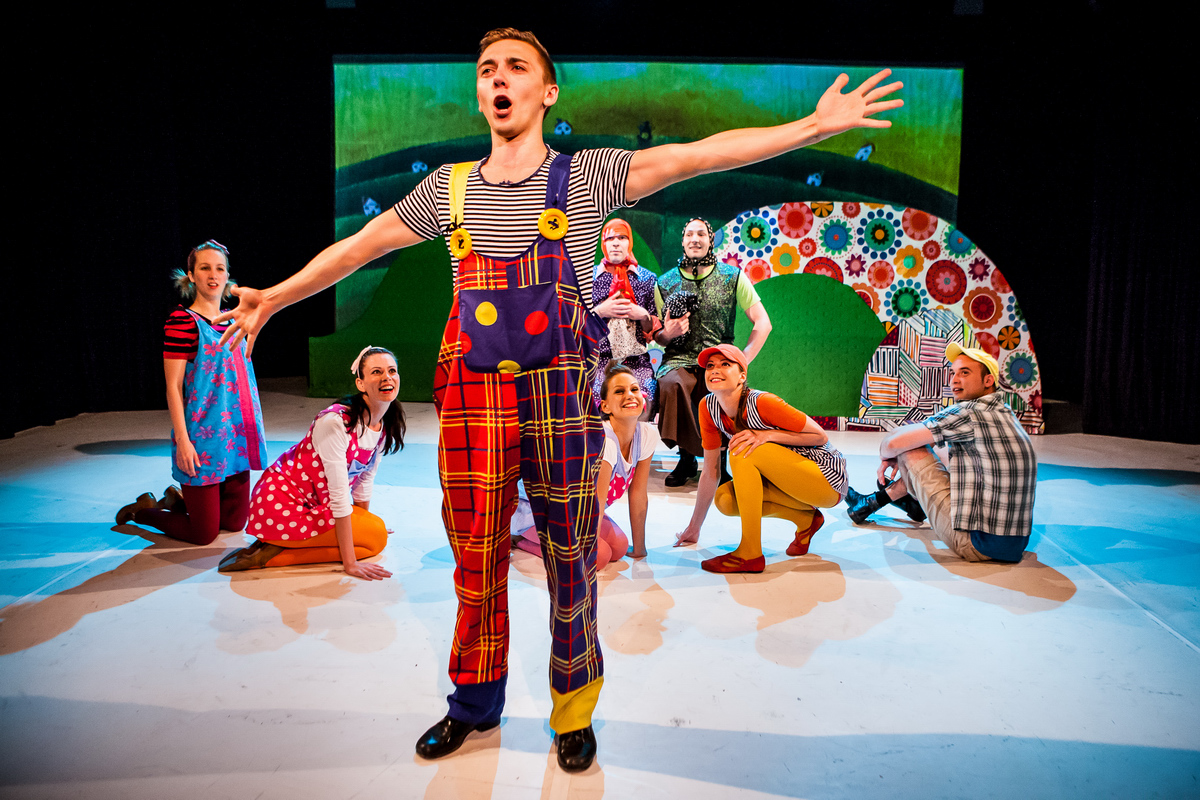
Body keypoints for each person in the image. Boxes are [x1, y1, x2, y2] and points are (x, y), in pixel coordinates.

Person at [213, 27, 901, 771]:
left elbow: (698, 154)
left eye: (516, 67)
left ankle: (573, 712)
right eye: (487, 69)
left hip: (560, 397)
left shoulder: (588, 176)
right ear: (480, 92)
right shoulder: (447, 189)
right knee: (474, 559)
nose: (498, 78)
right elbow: (362, 245)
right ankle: (473, 703)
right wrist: (275, 297)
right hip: (473, 398)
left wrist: (811, 128)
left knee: (571, 560)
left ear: (546, 92)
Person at [115, 240, 267, 545]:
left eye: (220, 269)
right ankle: (144, 511)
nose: (213, 275)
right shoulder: (182, 322)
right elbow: (172, 386)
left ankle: (179, 501)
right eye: (205, 268)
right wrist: (184, 441)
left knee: (235, 523)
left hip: (236, 434)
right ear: (191, 275)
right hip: (203, 436)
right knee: (204, 534)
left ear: (227, 276)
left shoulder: (236, 320)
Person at [216, 346, 402, 580]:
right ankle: (270, 557)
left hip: (313, 506)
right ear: (360, 383)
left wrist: (364, 524)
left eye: (392, 371)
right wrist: (350, 563)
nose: (387, 377)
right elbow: (338, 494)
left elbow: (364, 480)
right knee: (376, 541)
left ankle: (277, 548)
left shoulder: (382, 424)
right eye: (376, 372)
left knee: (373, 536)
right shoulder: (336, 422)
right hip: (279, 506)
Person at [845, 344, 1037, 563]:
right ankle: (890, 503)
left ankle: (880, 501)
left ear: (988, 381)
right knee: (935, 444)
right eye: (953, 373)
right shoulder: (1002, 410)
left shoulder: (970, 412)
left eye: (965, 373)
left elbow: (892, 442)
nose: (954, 380)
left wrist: (888, 456)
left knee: (911, 448)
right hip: (1012, 545)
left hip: (976, 544)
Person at [673, 344, 847, 573]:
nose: (715, 369)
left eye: (725, 364)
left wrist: (767, 435)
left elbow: (819, 436)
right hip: (785, 482)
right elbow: (710, 471)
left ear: (742, 376)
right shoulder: (708, 407)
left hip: (825, 479)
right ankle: (806, 521)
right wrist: (694, 527)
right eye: (710, 366)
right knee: (725, 499)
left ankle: (750, 552)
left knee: (742, 447)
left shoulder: (762, 402)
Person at [654, 218, 773, 487]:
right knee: (674, 384)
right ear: (682, 241)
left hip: (717, 356)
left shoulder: (733, 277)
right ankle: (686, 458)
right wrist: (668, 333)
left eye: (701, 234)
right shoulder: (665, 282)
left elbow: (763, 323)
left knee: (721, 385)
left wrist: (742, 359)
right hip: (679, 356)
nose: (695, 239)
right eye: (689, 234)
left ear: (710, 240)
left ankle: (719, 462)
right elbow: (658, 335)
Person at [514, 360, 658, 564]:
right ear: (605, 406)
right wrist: (590, 554)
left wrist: (640, 549)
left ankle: (560, 545)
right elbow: (597, 502)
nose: (629, 395)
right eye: (619, 391)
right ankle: (519, 538)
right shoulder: (604, 440)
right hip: (542, 508)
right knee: (600, 556)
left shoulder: (646, 435)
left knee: (620, 547)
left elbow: (638, 494)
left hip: (579, 511)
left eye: (634, 389)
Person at [589, 219, 659, 414]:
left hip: (636, 361)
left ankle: (638, 435)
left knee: (644, 397)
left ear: (630, 242)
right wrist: (601, 311)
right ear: (603, 243)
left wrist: (643, 315)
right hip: (598, 360)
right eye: (610, 238)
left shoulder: (646, 278)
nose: (616, 243)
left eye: (622, 237)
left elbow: (653, 330)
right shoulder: (589, 278)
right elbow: (576, 323)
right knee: (598, 398)